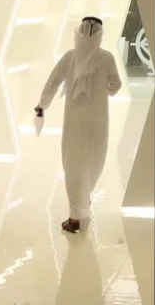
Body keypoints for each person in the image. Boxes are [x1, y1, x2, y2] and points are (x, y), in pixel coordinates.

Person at [35, 17, 122, 233]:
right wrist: (105, 91)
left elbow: (52, 82)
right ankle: (82, 204)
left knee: (73, 166)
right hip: (98, 121)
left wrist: (42, 105)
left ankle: (76, 214)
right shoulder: (107, 58)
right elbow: (116, 85)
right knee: (92, 163)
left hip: (74, 121)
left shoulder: (70, 57)